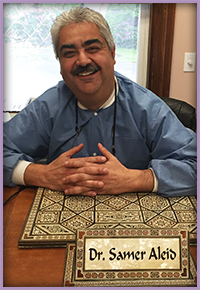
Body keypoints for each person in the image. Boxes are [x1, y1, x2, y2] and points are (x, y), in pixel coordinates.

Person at [3, 6, 197, 197]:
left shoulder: (148, 108)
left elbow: (194, 165)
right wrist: (40, 174)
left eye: (93, 48)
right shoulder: (48, 106)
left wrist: (136, 179)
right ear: (60, 65)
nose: (82, 60)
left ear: (112, 54)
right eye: (69, 53)